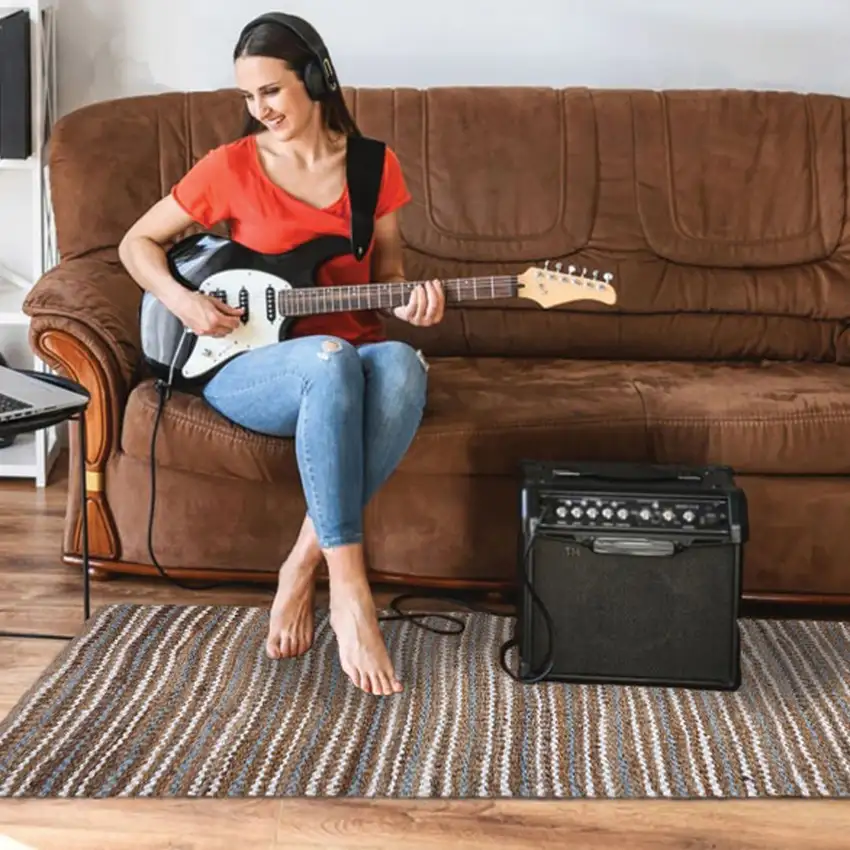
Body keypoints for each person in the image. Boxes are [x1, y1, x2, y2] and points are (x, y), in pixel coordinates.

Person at [118, 12, 445, 697]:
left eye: (271, 91)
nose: (259, 110)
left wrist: (413, 301)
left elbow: (387, 282)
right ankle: (352, 591)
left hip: (349, 358)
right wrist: (185, 303)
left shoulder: (372, 166)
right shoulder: (230, 168)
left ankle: (301, 564)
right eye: (248, 97)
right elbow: (135, 246)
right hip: (246, 369)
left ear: (317, 81)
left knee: (402, 365)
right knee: (328, 357)